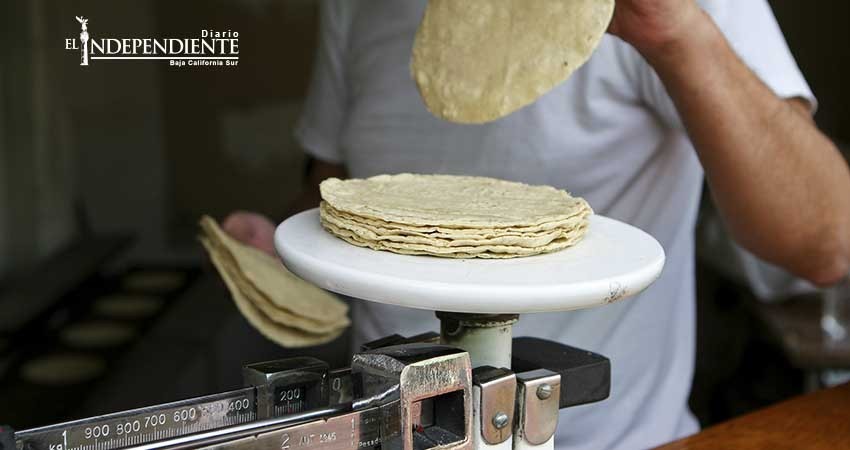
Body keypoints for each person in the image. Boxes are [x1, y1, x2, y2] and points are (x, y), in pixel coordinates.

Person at [224, 0, 850, 448]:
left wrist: (676, 29)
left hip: (618, 438)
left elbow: (827, 241)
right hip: (386, 430)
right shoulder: (357, 8)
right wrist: (276, 252)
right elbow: (347, 200)